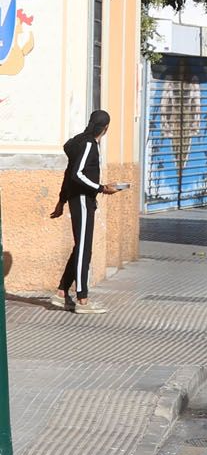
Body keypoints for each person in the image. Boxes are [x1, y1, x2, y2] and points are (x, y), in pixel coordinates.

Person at [50, 109, 122, 313]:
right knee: (84, 249)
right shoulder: (89, 144)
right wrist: (102, 188)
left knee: (81, 247)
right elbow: (76, 174)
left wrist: (61, 200)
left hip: (80, 199)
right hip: (82, 200)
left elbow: (69, 173)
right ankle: (82, 299)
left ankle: (62, 292)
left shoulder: (81, 141)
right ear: (106, 128)